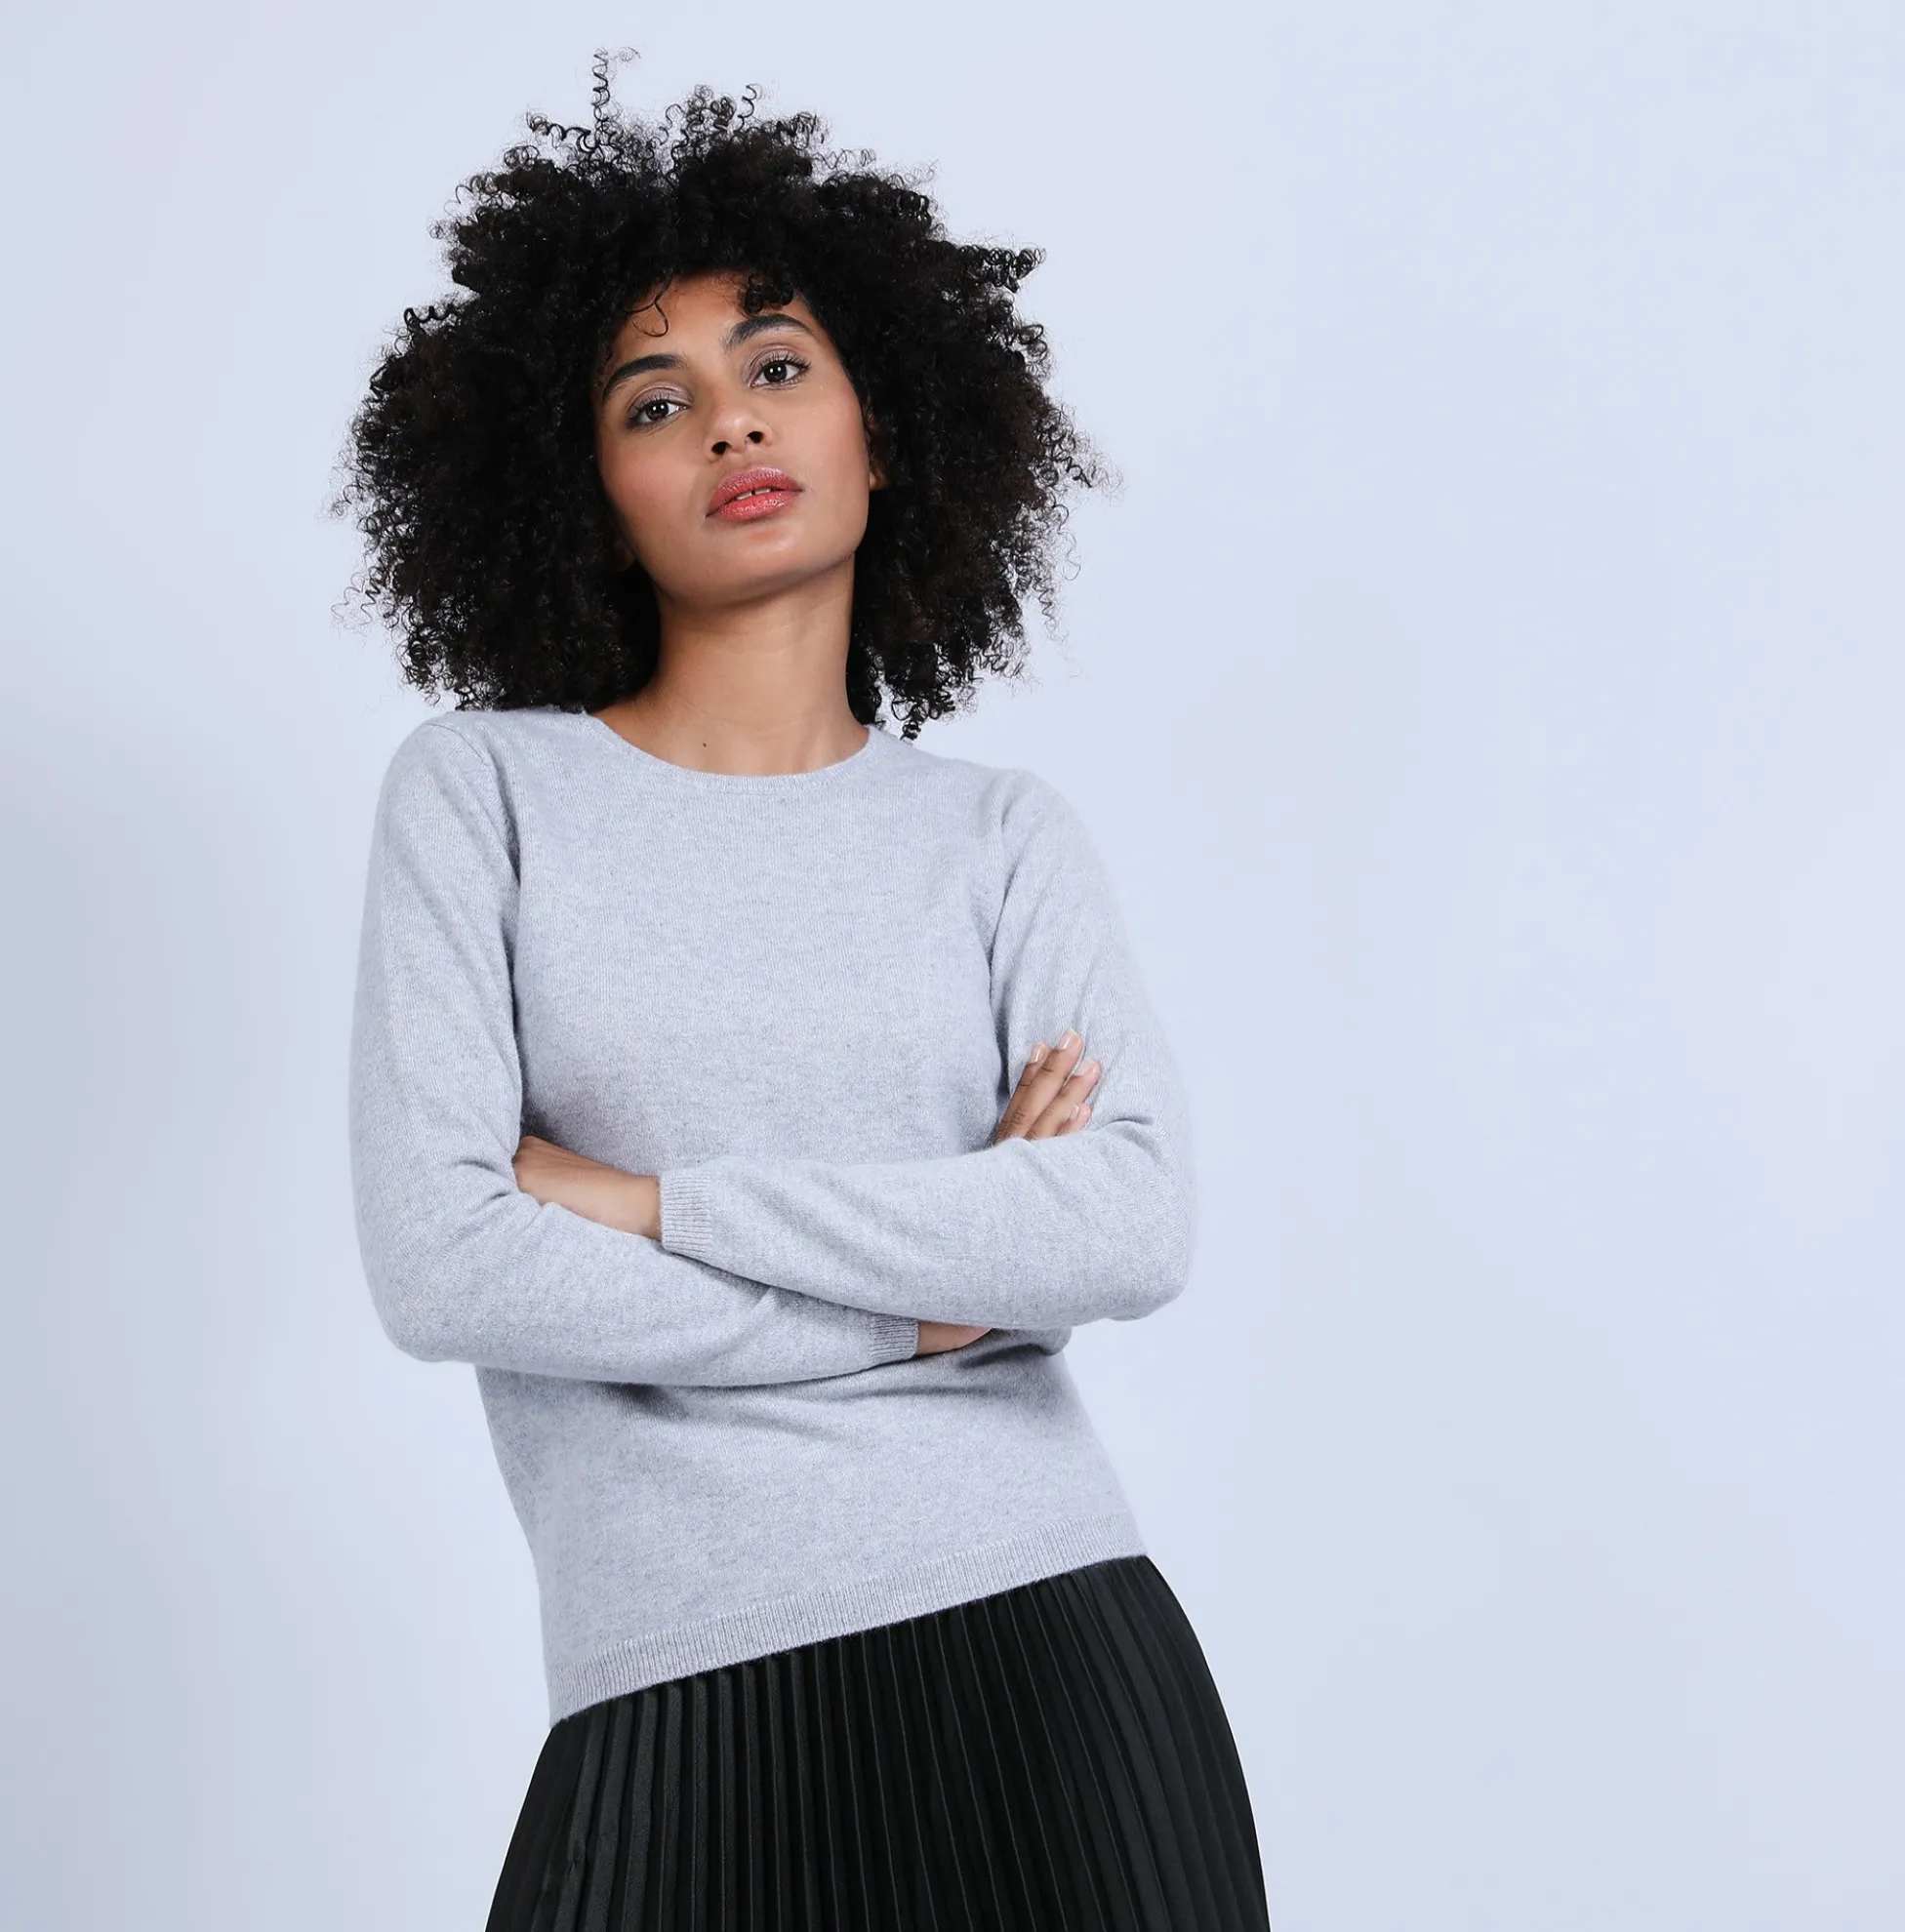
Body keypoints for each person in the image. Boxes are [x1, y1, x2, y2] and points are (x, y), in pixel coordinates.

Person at [337, 60, 1271, 1931]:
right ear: (587, 492)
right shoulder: (483, 795)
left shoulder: (1000, 835)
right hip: (671, 1674)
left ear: (884, 433)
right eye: (653, 400)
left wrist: (644, 1202)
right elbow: (449, 1265)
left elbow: (1128, 1221)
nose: (730, 423)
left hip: (1054, 1660)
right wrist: (938, 1301)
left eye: (777, 365)